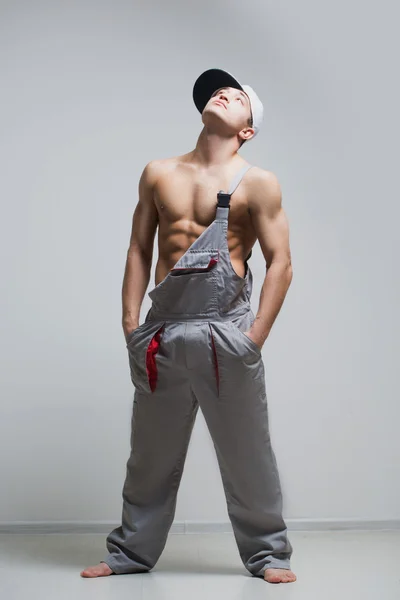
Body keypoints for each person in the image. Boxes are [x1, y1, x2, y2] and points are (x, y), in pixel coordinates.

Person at [81, 68, 296, 584]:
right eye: (218, 91)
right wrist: (131, 324)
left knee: (248, 454)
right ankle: (131, 551)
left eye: (237, 96)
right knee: (150, 454)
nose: (223, 94)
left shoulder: (259, 182)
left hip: (227, 330)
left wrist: (255, 337)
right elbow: (138, 248)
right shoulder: (158, 172)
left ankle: (268, 556)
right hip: (164, 331)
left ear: (247, 127)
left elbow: (281, 262)